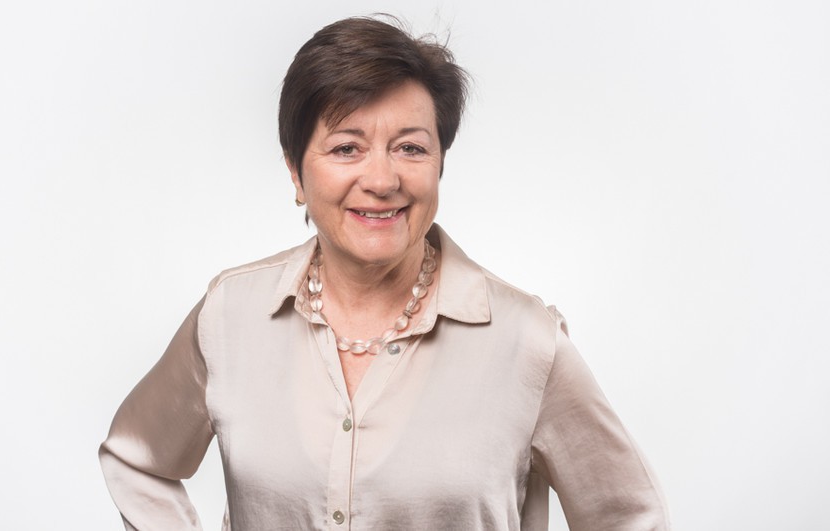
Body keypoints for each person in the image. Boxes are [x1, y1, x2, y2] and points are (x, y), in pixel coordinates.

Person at [99, 15, 670, 530]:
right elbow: (136, 461)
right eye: (346, 148)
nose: (381, 180)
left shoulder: (526, 341)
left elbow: (632, 516)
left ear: (440, 164)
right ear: (296, 172)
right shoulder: (230, 316)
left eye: (410, 149)